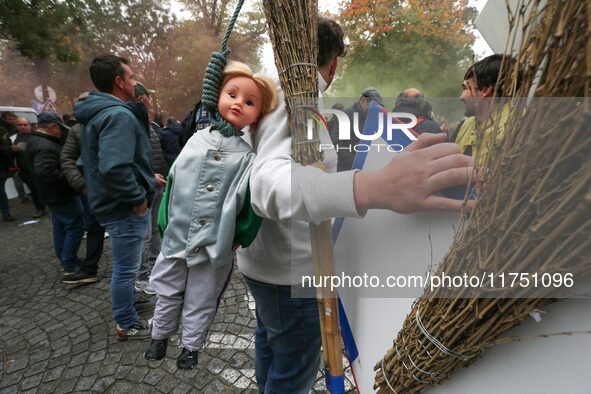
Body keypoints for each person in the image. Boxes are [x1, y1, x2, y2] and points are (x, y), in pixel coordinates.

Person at [237, 17, 474, 393]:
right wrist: (374, 186)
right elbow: (267, 185)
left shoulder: (268, 93)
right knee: (291, 372)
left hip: (266, 265)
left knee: (272, 349)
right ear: (334, 64)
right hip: (289, 274)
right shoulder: (293, 100)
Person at [143, 61, 277, 370]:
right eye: (232, 94)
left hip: (214, 243)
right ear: (218, 96)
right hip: (177, 235)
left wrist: (239, 237)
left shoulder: (247, 156)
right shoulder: (195, 141)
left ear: (258, 113)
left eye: (250, 101)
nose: (238, 104)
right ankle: (159, 335)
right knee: (168, 289)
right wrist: (164, 222)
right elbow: (175, 183)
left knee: (201, 297)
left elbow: (251, 203)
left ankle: (191, 345)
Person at [74, 54, 162, 341]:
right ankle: (126, 322)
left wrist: (149, 179)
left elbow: (116, 162)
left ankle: (131, 301)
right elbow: (114, 168)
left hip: (115, 203)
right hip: (124, 207)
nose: (134, 81)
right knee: (125, 269)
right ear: (119, 81)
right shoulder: (117, 115)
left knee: (130, 265)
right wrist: (137, 197)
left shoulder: (102, 113)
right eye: (131, 76)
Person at [27, 112, 87, 282]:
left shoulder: (35, 140)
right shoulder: (45, 145)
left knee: (61, 227)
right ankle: (69, 265)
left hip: (52, 195)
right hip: (61, 194)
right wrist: (70, 177)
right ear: (53, 127)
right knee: (75, 226)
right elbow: (45, 171)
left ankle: (67, 260)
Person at [60, 97, 106, 284]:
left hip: (113, 188)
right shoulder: (77, 130)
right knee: (94, 227)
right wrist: (81, 184)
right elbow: (67, 158)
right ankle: (88, 267)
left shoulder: (109, 121)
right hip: (93, 190)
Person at [450, 54, 521, 165]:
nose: (461, 97)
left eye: (466, 88)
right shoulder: (465, 125)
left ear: (485, 90)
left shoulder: (517, 129)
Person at [133, 81, 167, 296]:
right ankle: (141, 277)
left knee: (154, 231)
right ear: (139, 98)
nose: (150, 101)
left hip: (155, 185)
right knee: (143, 235)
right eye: (147, 97)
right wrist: (147, 179)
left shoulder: (147, 122)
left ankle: (155, 271)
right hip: (144, 187)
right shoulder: (131, 121)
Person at [330, 87, 384, 171]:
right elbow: (337, 142)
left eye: (378, 106)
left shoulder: (370, 119)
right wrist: (354, 162)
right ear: (363, 100)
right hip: (345, 169)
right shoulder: (348, 116)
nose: (376, 108)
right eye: (374, 104)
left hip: (362, 169)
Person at [13, 117, 46, 217]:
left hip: (40, 167)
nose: (22, 127)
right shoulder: (13, 138)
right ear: (16, 126)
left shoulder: (38, 135)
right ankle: (40, 208)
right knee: (34, 190)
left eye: (25, 124)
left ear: (30, 125)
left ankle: (53, 205)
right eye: (20, 125)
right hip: (25, 170)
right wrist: (11, 149)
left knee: (46, 187)